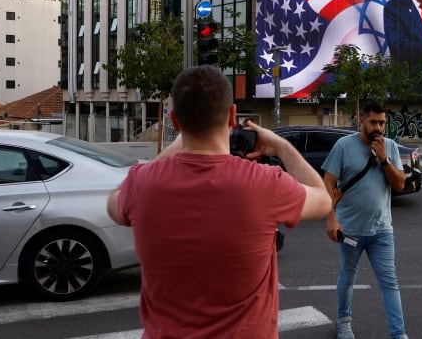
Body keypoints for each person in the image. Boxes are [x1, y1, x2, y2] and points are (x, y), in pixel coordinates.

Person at [107, 65, 331, 338]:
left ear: (175, 121)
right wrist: (282, 147)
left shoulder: (141, 183)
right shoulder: (264, 183)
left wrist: (174, 149)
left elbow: (114, 204)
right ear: (233, 115)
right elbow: (322, 200)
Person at [322, 101, 409, 339]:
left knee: (390, 283)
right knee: (347, 278)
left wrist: (384, 159)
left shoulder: (389, 147)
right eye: (373, 122)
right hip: (350, 230)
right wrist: (331, 219)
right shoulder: (343, 146)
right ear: (361, 120)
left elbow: (400, 184)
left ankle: (398, 334)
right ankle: (344, 323)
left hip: (382, 230)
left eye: (382, 122)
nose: (378, 127)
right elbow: (328, 182)